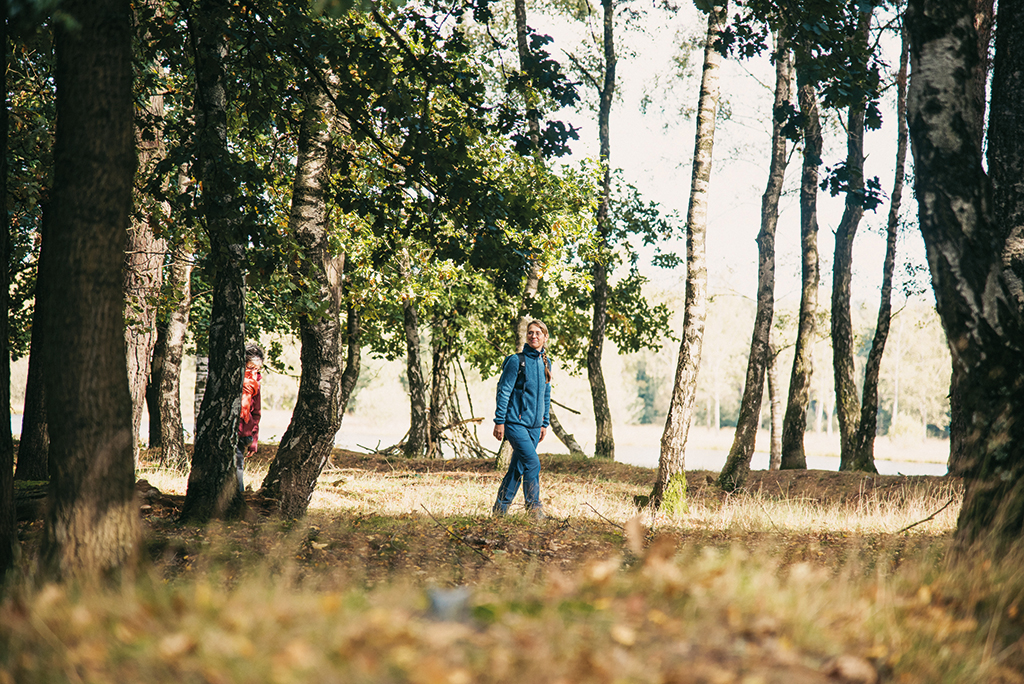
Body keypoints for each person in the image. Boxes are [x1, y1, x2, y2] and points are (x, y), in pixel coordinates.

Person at [492, 320, 552, 518]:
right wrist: (499, 421)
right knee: (533, 463)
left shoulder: (546, 362)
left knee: (517, 468)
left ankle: (499, 512)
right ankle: (534, 510)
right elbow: (504, 392)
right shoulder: (515, 361)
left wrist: (544, 423)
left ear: (545, 337)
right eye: (530, 333)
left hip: (535, 427)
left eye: (537, 333)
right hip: (515, 423)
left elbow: (545, 393)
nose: (533, 336)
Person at [236, 343, 263, 494]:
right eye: (250, 367)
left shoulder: (256, 385)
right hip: (231, 431)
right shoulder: (234, 381)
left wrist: (254, 441)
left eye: (257, 369)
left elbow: (256, 413)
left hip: (245, 434)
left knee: (238, 466)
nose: (253, 372)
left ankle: (238, 499)